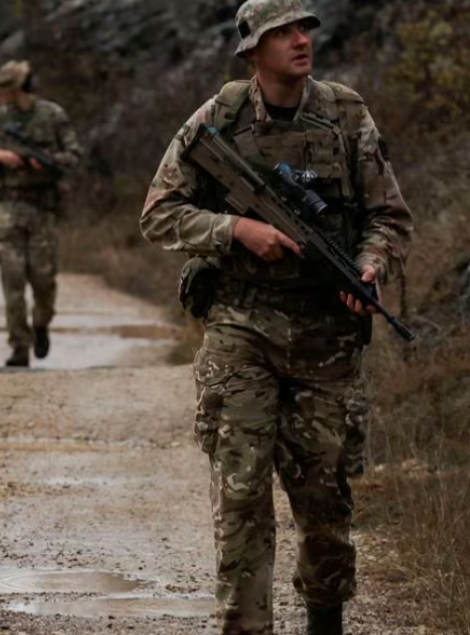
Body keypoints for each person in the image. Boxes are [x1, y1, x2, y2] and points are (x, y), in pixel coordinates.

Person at [139, 0, 414, 633]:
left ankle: (324, 619)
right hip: (241, 327)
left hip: (326, 338)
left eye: (303, 29)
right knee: (240, 495)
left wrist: (368, 267)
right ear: (253, 50)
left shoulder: (345, 113)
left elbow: (389, 218)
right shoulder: (219, 117)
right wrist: (235, 229)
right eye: (282, 32)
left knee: (325, 501)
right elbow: (159, 213)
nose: (299, 41)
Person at [0, 61, 80, 368]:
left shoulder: (53, 116)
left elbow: (73, 156)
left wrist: (44, 162)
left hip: (43, 208)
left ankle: (40, 324)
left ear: (18, 90)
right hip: (8, 208)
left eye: (4, 91)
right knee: (12, 278)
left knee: (44, 281)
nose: (0, 97)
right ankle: (19, 345)